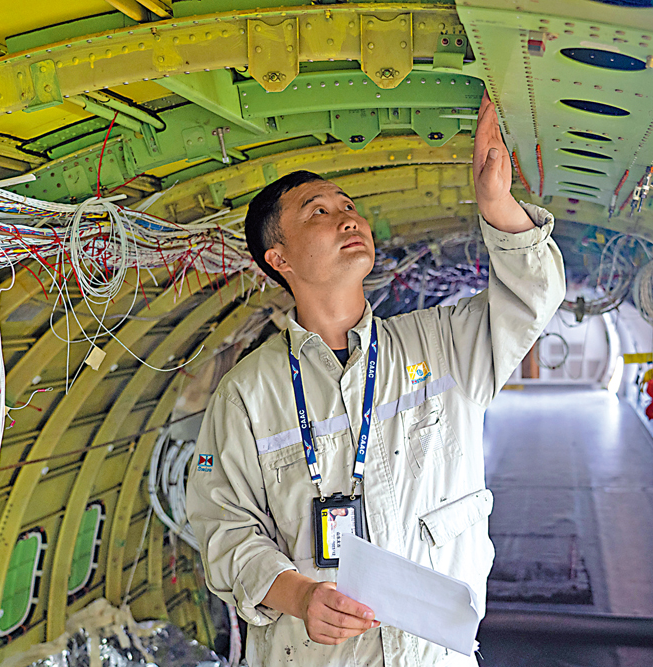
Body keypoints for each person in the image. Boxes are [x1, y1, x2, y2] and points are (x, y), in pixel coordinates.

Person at [186, 90, 565, 666]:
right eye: (317, 211)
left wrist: (496, 202)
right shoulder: (246, 394)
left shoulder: (441, 345)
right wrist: (299, 595)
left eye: (348, 205)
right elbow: (223, 526)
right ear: (279, 259)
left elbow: (533, 295)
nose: (348, 218)